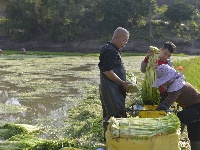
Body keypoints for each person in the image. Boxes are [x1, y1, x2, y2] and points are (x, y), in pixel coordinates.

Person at [152, 64, 200, 150]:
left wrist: (158, 111)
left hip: (198, 107)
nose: (162, 83)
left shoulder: (178, 86)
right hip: (192, 108)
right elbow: (165, 98)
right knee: (194, 132)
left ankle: (173, 140)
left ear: (169, 78)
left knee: (181, 116)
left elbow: (167, 103)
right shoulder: (172, 85)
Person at [98, 27, 129, 141]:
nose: (125, 43)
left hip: (114, 90)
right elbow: (107, 71)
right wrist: (122, 82)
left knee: (111, 116)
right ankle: (113, 142)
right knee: (115, 117)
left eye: (126, 41)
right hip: (111, 91)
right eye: (124, 40)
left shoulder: (112, 49)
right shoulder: (110, 50)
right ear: (116, 37)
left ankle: (110, 140)